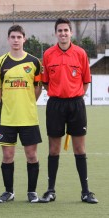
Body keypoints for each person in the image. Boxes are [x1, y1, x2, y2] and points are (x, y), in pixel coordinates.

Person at [41, 18, 98, 204]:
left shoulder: (80, 53)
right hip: (55, 105)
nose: (63, 33)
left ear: (71, 33)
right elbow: (45, 81)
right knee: (54, 148)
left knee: (79, 148)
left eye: (66, 30)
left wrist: (75, 97)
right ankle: (50, 190)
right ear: (55, 33)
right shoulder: (48, 54)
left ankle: (85, 191)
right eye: (60, 30)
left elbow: (86, 81)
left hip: (76, 105)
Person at [0, 25, 43, 203]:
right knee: (7, 156)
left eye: (18, 37)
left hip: (28, 117)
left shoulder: (34, 62)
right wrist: (10, 104)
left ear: (24, 39)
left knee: (31, 155)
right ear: (8, 39)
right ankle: (9, 192)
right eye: (12, 37)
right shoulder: (0, 62)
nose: (15, 40)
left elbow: (38, 88)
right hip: (7, 118)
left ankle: (32, 192)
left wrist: (27, 102)